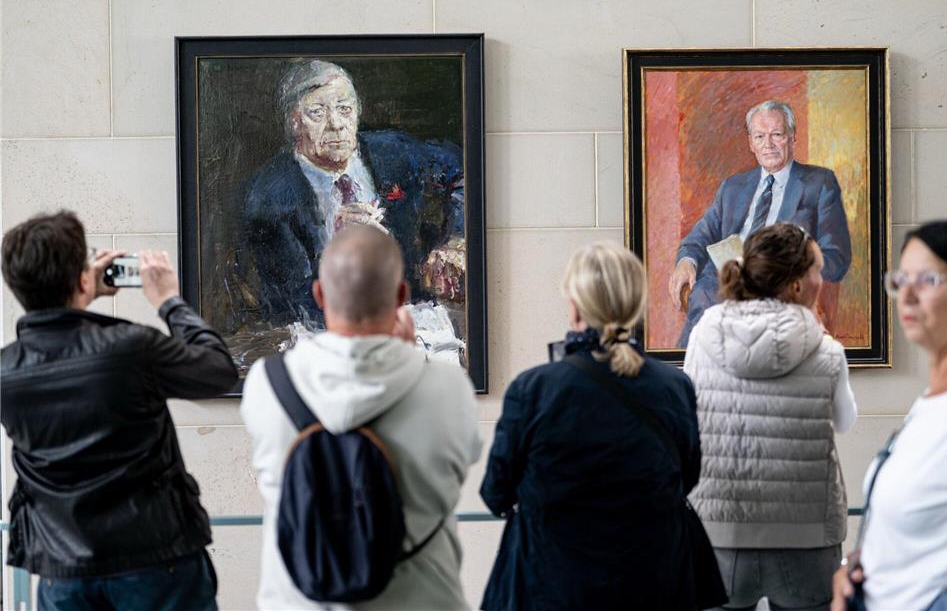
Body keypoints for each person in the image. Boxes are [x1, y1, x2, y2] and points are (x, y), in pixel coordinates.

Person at [0, 211, 238, 610]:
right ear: (81, 278)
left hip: (64, 571)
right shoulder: (129, 347)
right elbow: (217, 371)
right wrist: (168, 301)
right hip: (156, 562)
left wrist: (77, 295)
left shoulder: (6, 371)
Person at [240, 225, 481, 610]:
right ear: (403, 296)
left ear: (319, 294)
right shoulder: (447, 386)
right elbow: (460, 465)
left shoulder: (267, 383)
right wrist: (408, 359)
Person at [480, 241, 702, 610]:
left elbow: (495, 494)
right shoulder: (673, 387)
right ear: (635, 302)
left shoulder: (534, 389)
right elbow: (686, 478)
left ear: (575, 305)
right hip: (650, 583)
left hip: (551, 585)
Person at [683, 222, 857, 611]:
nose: (821, 278)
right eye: (817, 269)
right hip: (806, 536)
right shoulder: (826, 350)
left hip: (719, 534)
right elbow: (845, 422)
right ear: (796, 286)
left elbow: (688, 419)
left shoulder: (703, 335)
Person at [242, 59, 466, 328]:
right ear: (294, 122)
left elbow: (463, 169)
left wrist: (458, 237)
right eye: (317, 113)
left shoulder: (395, 153)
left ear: (357, 113)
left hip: (420, 320)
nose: (336, 124)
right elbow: (292, 306)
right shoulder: (269, 197)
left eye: (345, 109)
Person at [831, 219, 947, 611]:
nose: (907, 296)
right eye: (901, 280)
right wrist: (856, 567)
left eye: (928, 280)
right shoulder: (930, 404)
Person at [668, 100, 852, 347]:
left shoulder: (819, 183)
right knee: (704, 296)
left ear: (792, 136)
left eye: (777, 134)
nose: (768, 144)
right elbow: (701, 234)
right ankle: (689, 373)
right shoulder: (733, 187)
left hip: (777, 287)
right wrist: (685, 261)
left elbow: (836, 256)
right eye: (760, 136)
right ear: (751, 143)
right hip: (722, 286)